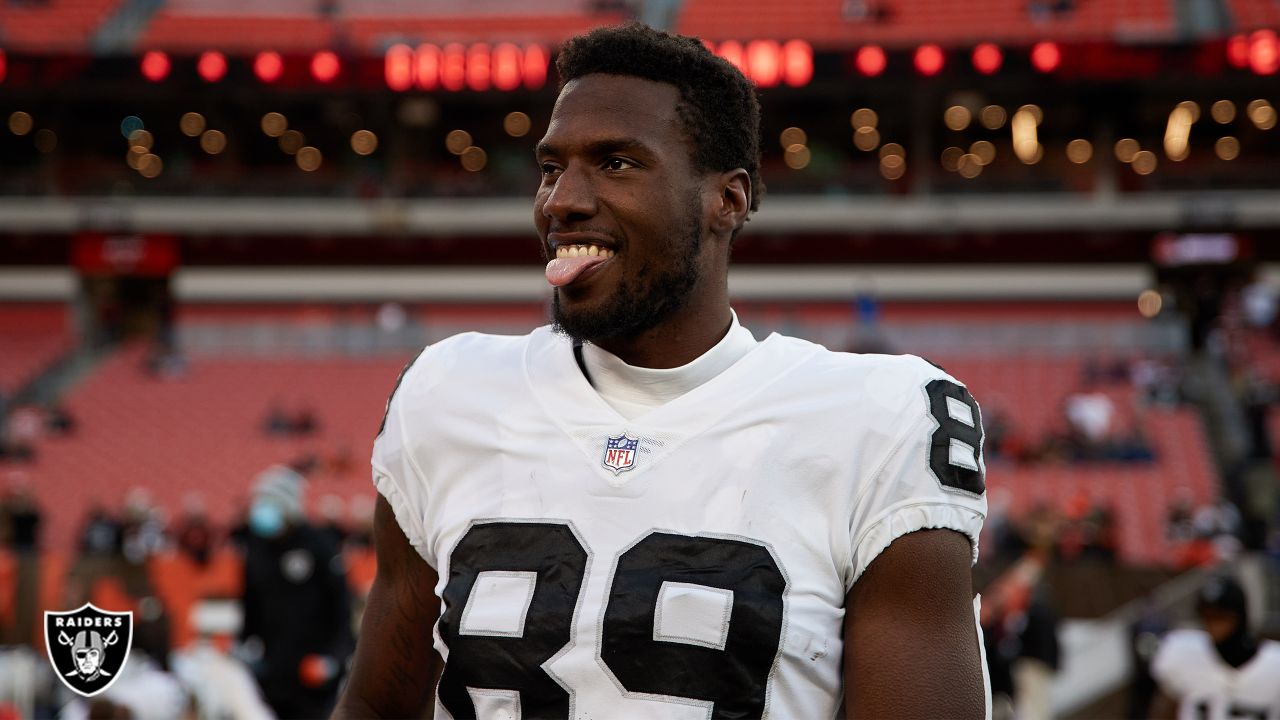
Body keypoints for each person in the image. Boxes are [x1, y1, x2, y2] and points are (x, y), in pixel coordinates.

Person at [335, 22, 989, 719]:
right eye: (552, 168)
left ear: (727, 201)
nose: (562, 201)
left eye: (615, 163)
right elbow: (378, 707)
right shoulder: (448, 393)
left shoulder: (877, 419)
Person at [240, 466, 353, 719]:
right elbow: (250, 602)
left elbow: (341, 606)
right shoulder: (256, 548)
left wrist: (333, 657)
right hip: (273, 669)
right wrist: (246, 643)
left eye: (269, 502)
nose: (262, 509)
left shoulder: (319, 545)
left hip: (313, 669)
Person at [1150, 575, 1280, 718]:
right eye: (1207, 616)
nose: (1213, 624)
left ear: (1238, 616)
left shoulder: (1275, 665)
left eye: (1220, 616)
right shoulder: (1181, 651)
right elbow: (1165, 709)